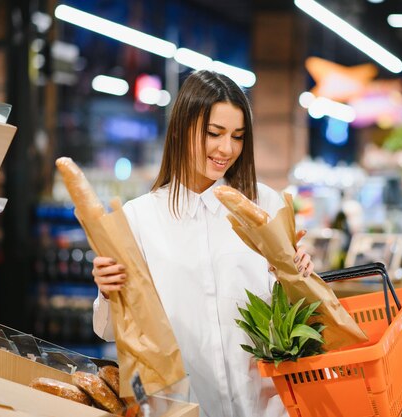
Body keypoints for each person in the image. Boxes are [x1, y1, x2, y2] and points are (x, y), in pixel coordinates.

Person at [91, 70, 314, 417]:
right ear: (180, 128)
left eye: (238, 137)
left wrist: (298, 273)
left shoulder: (265, 207)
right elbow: (109, 330)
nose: (226, 149)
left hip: (266, 406)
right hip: (185, 406)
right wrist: (107, 291)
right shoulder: (140, 218)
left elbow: (294, 316)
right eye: (214, 133)